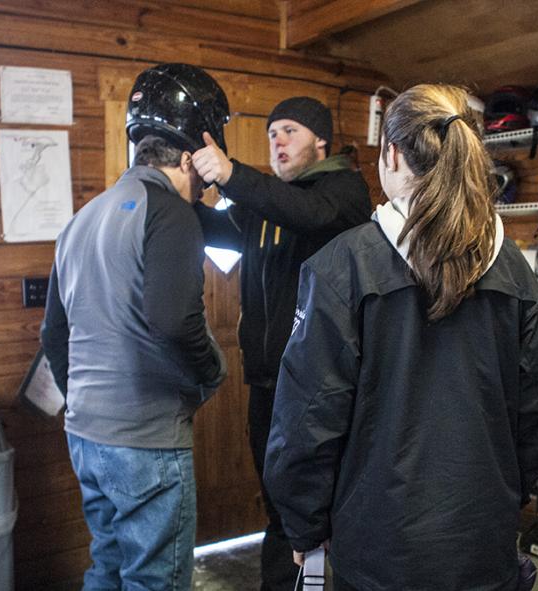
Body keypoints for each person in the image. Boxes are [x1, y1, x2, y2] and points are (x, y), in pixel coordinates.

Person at [262, 84, 538, 590]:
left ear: (393, 153)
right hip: (483, 541)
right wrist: (509, 494)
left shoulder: (343, 265)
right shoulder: (511, 264)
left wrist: (305, 524)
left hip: (379, 550)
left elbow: (308, 418)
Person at [41, 63, 229, 591]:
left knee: (107, 566)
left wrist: (83, 398)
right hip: (146, 439)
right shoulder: (170, 213)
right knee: (156, 581)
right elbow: (172, 321)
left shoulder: (82, 218)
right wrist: (213, 372)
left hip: (85, 432)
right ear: (194, 155)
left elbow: (53, 336)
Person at [190, 96, 371, 589]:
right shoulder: (265, 206)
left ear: (320, 140)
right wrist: (180, 191)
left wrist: (232, 175)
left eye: (289, 131)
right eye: (272, 134)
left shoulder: (343, 190)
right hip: (268, 384)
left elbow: (308, 213)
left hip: (324, 388)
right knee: (281, 509)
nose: (278, 142)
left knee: (331, 514)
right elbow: (216, 227)